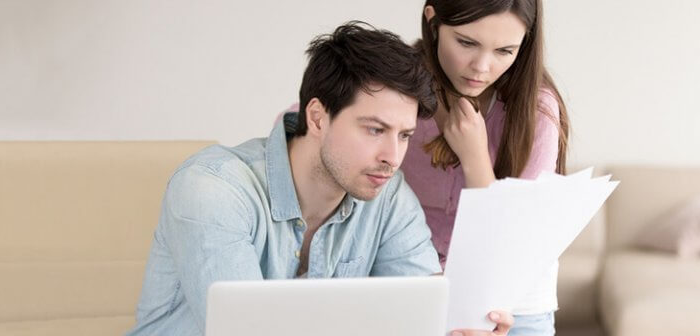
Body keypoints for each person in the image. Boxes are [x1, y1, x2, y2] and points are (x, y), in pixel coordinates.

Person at [127, 22, 512, 336]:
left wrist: (461, 329)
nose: (392, 158)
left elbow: (427, 315)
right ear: (316, 117)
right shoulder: (212, 190)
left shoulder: (388, 195)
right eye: (374, 129)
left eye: (404, 135)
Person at [402, 1, 571, 335]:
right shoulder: (397, 86)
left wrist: (476, 158)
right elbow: (308, 125)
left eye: (505, 50)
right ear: (433, 20)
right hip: (421, 292)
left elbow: (512, 247)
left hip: (511, 304)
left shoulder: (537, 110)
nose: (481, 67)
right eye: (466, 43)